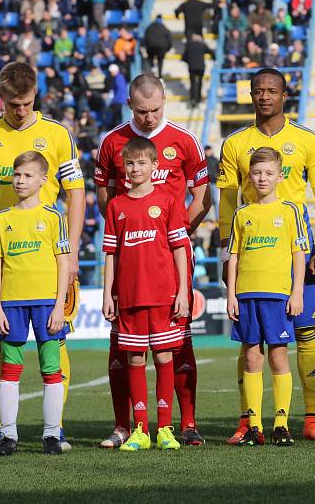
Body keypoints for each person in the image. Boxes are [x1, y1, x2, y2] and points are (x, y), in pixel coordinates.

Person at [0, 62, 85, 453]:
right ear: (1, 97)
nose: (20, 110)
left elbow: (76, 193)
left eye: (27, 103)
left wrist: (75, 249)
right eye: (14, 103)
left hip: (49, 260)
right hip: (0, 256)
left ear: (37, 96)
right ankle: (5, 430)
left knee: (55, 345)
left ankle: (56, 429)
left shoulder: (58, 134)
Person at [218, 68, 315, 443]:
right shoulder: (235, 143)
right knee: (249, 343)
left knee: (303, 334)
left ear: (285, 95)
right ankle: (247, 419)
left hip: (295, 248)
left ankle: (311, 418)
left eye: (272, 91)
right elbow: (226, 200)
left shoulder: (307, 139)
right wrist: (225, 253)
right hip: (252, 254)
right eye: (258, 91)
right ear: (250, 95)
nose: (264, 96)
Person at [96, 73, 210, 448]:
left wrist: (172, 232)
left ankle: (186, 423)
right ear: (130, 104)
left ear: (165, 102)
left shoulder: (184, 140)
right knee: (123, 347)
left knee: (178, 343)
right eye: (142, 110)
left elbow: (203, 196)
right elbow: (105, 197)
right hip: (131, 260)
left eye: (156, 109)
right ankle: (123, 425)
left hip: (171, 258)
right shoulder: (112, 142)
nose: (149, 117)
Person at [102, 137, 191, 452]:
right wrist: (107, 293)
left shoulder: (167, 201)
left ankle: (165, 428)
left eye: (141, 163)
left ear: (155, 166)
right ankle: (140, 429)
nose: (135, 168)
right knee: (135, 357)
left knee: (164, 355)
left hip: (164, 295)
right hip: (129, 296)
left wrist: (182, 290)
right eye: (129, 163)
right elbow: (110, 253)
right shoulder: (117, 206)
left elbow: (180, 248)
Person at [0, 152, 70, 456]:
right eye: (17, 175)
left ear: (42, 180)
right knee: (10, 369)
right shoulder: (2, 219)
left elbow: (63, 263)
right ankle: (9, 436)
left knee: (51, 368)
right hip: (11, 304)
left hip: (47, 303)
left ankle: (51, 435)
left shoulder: (53, 217)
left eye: (28, 175)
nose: (21, 180)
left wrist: (59, 304)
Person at [225, 147, 307, 446]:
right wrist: (231, 294)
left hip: (277, 296)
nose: (262, 178)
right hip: (246, 295)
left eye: (269, 173)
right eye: (257, 173)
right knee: (251, 357)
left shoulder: (290, 211)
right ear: (250, 175)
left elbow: (299, 254)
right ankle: (254, 425)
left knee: (278, 356)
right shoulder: (242, 213)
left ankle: (282, 424)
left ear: (280, 176)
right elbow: (233, 257)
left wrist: (296, 291)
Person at [182, 33, 213, 107]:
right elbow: (211, 51)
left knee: (192, 83)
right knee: (200, 82)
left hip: (192, 67)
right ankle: (198, 98)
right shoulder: (202, 45)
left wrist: (189, 61)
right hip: (201, 67)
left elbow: (183, 57)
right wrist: (214, 58)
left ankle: (193, 98)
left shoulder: (189, 46)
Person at [143, 15, 172, 79]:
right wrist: (168, 48)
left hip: (151, 46)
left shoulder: (149, 26)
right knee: (160, 60)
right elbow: (169, 38)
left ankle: (153, 68)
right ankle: (160, 75)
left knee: (150, 57)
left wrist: (145, 46)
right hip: (162, 47)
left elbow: (145, 37)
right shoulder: (164, 27)